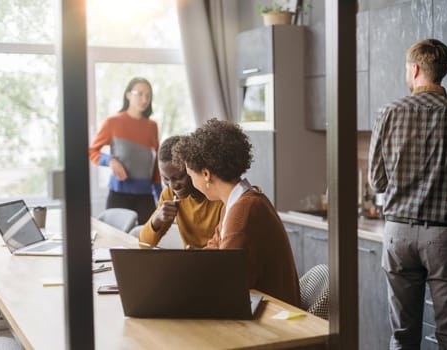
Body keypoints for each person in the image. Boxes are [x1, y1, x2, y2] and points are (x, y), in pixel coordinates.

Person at [368, 38, 447, 349]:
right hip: (445, 240)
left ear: (416, 68)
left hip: (397, 235)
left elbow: (377, 182)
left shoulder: (388, 113)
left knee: (402, 337)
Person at [173, 118, 300, 307]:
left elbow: (227, 283)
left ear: (206, 174)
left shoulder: (243, 213)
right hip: (264, 312)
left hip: (273, 323)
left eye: (191, 175)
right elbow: (214, 254)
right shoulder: (235, 203)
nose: (192, 182)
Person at [89, 77, 162, 224]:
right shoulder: (113, 122)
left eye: (148, 95)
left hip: (146, 196)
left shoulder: (152, 126)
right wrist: (110, 160)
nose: (144, 99)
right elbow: (92, 151)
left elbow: (155, 166)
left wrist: (161, 197)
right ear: (128, 95)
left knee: (146, 243)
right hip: (119, 195)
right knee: (116, 242)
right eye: (139, 93)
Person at [139, 136, 223, 248]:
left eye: (179, 177)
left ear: (193, 168)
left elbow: (225, 249)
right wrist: (158, 218)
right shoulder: (169, 194)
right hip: (188, 261)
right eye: (166, 179)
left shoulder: (219, 196)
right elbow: (144, 244)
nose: (173, 186)